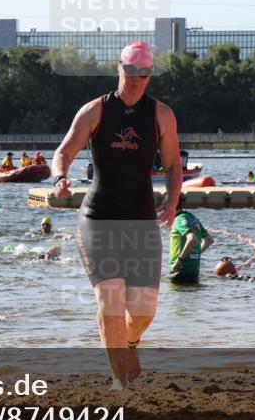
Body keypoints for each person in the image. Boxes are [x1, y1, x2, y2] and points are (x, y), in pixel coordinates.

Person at [51, 40, 181, 390]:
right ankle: (119, 382)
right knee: (110, 298)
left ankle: (131, 343)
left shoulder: (161, 115)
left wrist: (172, 200)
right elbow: (63, 152)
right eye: (130, 70)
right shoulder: (95, 111)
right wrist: (60, 177)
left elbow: (172, 164)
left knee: (143, 311)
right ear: (119, 68)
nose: (136, 78)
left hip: (141, 221)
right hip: (98, 218)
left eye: (143, 72)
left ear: (150, 74)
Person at [169, 193, 214, 284]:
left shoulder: (179, 219)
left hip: (181, 270)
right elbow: (209, 240)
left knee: (175, 295)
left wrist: (180, 260)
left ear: (172, 203)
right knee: (191, 295)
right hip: (194, 270)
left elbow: (192, 239)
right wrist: (195, 254)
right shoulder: (193, 218)